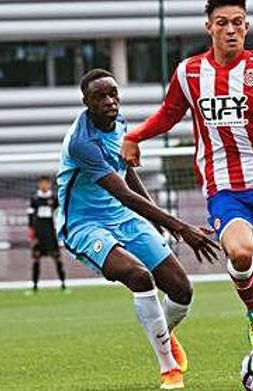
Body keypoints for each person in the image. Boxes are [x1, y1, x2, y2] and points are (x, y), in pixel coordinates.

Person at [122, 0, 253, 387]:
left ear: (246, 26)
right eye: (222, 23)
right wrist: (135, 136)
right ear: (209, 27)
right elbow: (168, 113)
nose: (230, 30)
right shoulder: (190, 72)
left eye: (237, 23)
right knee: (238, 250)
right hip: (224, 188)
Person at [57, 68, 220, 390]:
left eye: (113, 93)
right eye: (100, 97)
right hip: (85, 224)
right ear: (86, 102)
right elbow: (122, 192)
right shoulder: (81, 143)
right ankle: (169, 369)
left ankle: (163, 334)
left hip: (124, 217)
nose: (109, 101)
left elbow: (128, 174)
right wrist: (180, 227)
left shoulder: (120, 124)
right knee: (139, 276)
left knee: (181, 289)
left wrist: (161, 222)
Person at [26, 175, 67, 292]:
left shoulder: (54, 199)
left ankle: (63, 284)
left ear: (49, 184)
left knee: (57, 258)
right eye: (42, 183)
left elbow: (60, 215)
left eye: (46, 183)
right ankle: (34, 286)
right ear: (39, 185)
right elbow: (30, 217)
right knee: (36, 259)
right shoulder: (35, 199)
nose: (44, 185)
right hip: (39, 234)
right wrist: (32, 233)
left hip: (50, 233)